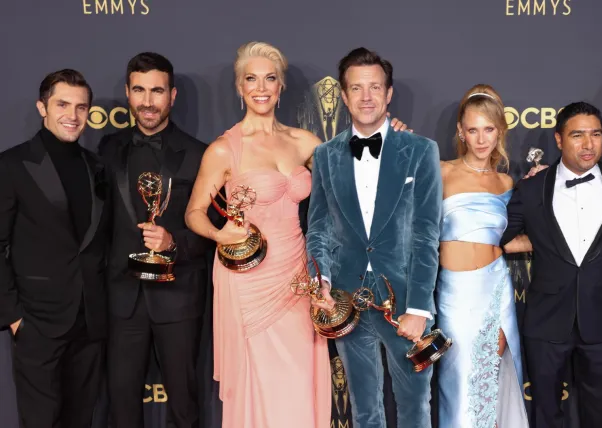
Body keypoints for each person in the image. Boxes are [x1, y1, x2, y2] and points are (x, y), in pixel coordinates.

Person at [184, 41, 405, 428]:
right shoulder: (224, 150)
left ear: (282, 86)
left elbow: (355, 179)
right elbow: (194, 213)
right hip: (249, 281)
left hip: (298, 277)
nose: (261, 87)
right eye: (251, 79)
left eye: (270, 78)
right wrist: (221, 236)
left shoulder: (305, 142)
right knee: (262, 383)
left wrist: (389, 137)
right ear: (239, 87)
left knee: (300, 382)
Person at [305, 46, 441, 428]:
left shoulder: (421, 150)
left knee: (415, 406)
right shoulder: (326, 155)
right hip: (346, 300)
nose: (367, 97)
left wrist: (419, 307)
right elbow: (318, 227)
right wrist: (322, 282)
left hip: (405, 301)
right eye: (357, 88)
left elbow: (427, 232)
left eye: (375, 87)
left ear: (389, 93)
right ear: (344, 95)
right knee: (365, 410)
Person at [98, 52, 214, 428]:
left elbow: (214, 232)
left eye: (157, 91)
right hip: (121, 299)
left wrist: (172, 242)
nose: (148, 101)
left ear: (173, 95)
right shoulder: (107, 149)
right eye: (140, 90)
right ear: (128, 94)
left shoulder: (200, 155)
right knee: (122, 407)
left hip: (178, 297)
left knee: (183, 406)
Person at [501, 102, 602, 428]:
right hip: (546, 322)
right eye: (577, 135)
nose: (588, 144)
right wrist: (538, 242)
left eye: (596, 134)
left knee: (601, 416)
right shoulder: (531, 188)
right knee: (546, 415)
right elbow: (499, 238)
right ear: (559, 139)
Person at [0, 69, 111, 427]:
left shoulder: (95, 167)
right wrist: (15, 317)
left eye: (81, 107)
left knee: (81, 419)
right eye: (62, 104)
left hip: (89, 321)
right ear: (41, 107)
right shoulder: (12, 165)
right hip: (37, 321)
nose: (73, 115)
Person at [437, 84, 529, 428]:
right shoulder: (441, 170)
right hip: (455, 294)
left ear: (500, 131)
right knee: (459, 384)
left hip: (495, 288)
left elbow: (507, 242)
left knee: (490, 382)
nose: (480, 139)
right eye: (472, 130)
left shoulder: (506, 182)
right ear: (461, 131)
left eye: (488, 129)